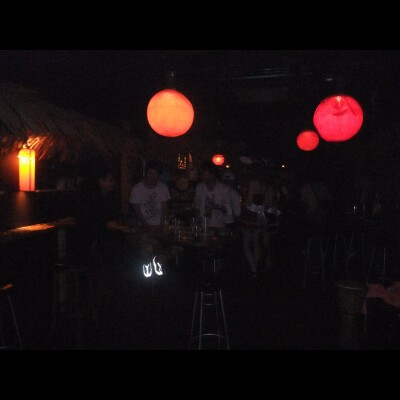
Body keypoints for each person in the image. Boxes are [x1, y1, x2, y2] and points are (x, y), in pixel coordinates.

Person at [76, 162, 133, 299]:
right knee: (116, 251)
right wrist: (123, 228)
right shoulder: (92, 198)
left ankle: (119, 286)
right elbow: (102, 222)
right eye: (110, 180)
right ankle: (112, 288)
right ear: (101, 181)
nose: (113, 183)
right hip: (93, 240)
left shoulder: (108, 197)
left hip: (106, 237)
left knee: (124, 247)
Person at [129, 160, 171, 231]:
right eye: (150, 173)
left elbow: (164, 208)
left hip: (159, 225)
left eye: (155, 173)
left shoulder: (163, 188)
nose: (152, 176)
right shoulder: (137, 189)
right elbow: (137, 210)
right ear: (146, 173)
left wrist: (162, 223)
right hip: (143, 226)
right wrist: (146, 225)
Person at [193, 160, 232, 229]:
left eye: (204, 173)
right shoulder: (199, 188)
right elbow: (196, 207)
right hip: (202, 226)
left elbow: (229, 211)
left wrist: (216, 206)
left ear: (212, 174)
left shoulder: (224, 189)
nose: (202, 176)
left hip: (218, 227)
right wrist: (197, 221)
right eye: (201, 174)